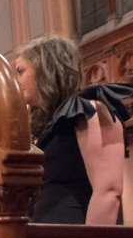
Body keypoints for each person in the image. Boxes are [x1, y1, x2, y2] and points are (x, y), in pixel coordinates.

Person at [14, 36, 132, 224]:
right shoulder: (51, 125)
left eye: (20, 71)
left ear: (45, 69)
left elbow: (108, 192)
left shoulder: (89, 110)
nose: (15, 80)